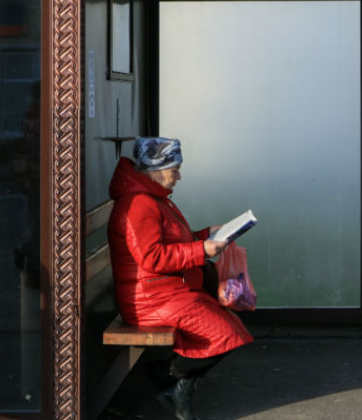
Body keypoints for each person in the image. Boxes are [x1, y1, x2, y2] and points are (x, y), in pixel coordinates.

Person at [108, 137, 253, 420]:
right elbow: (152, 258)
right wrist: (202, 250)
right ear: (156, 169)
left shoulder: (152, 199)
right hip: (152, 298)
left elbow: (171, 243)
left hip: (163, 292)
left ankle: (171, 381)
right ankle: (171, 382)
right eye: (174, 169)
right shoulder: (140, 204)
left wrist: (206, 235)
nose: (179, 175)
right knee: (227, 334)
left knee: (229, 329)